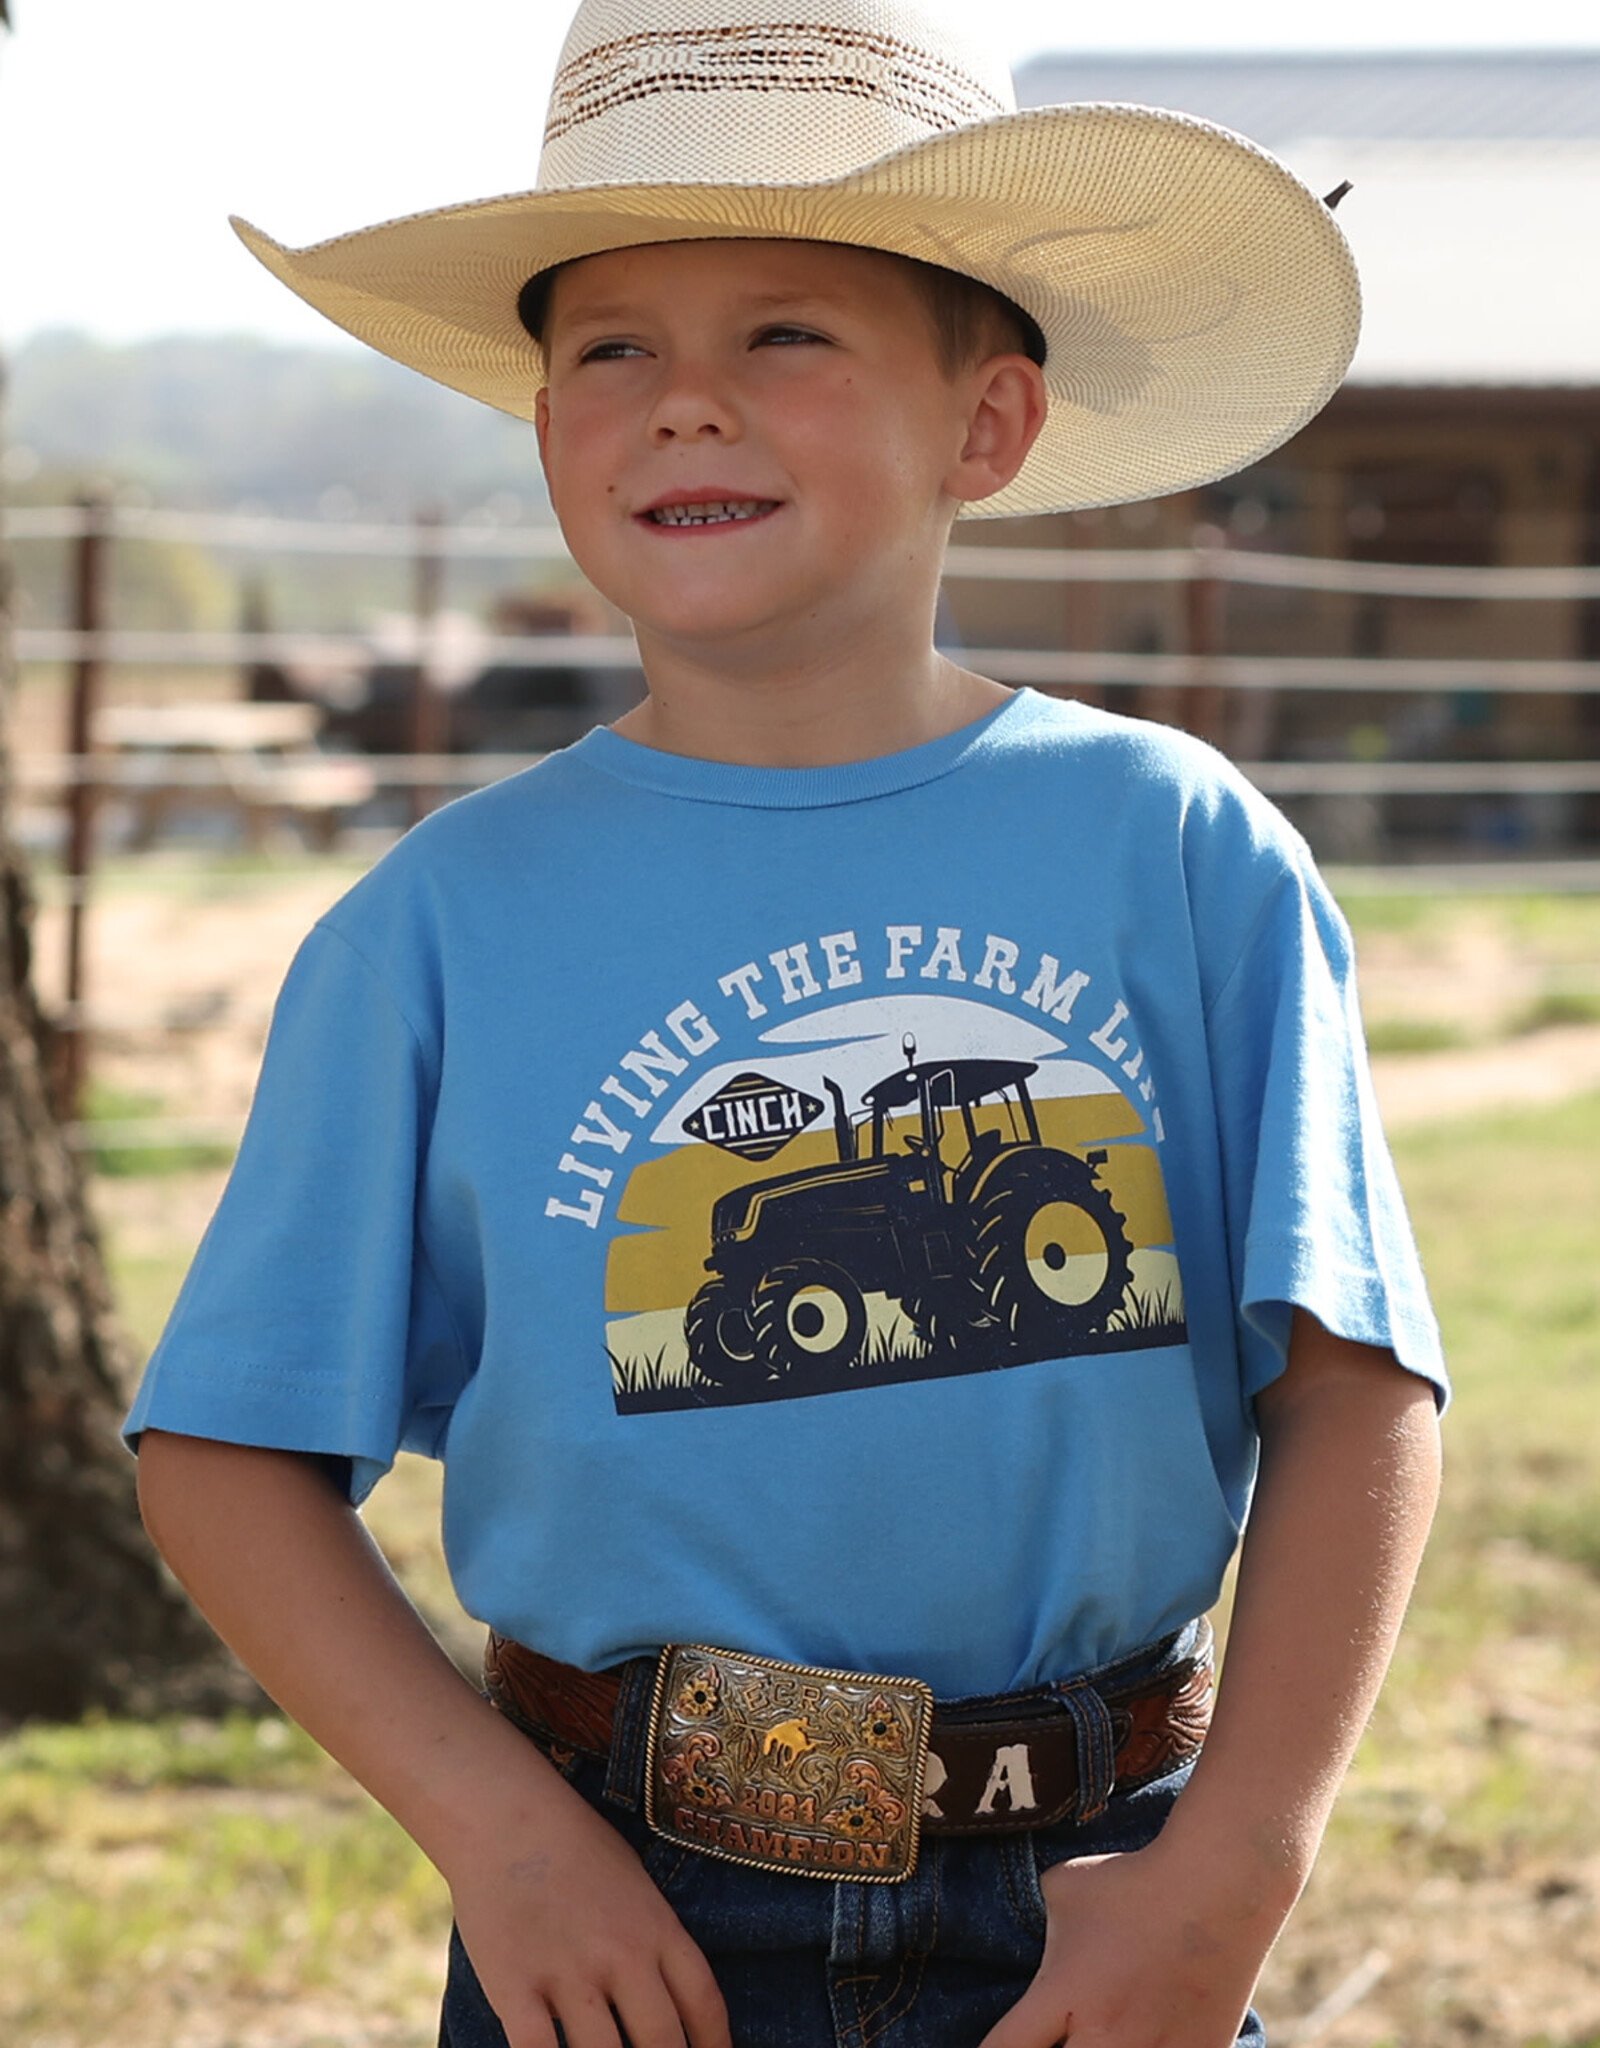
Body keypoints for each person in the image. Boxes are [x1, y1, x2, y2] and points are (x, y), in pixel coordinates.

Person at [126, 3, 1447, 2044]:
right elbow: (221, 1450)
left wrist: (1232, 1871)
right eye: (612, 348)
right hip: (630, 1903)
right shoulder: (440, 924)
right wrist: (505, 1836)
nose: (681, 405)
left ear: (984, 426)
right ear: (548, 416)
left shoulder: (1169, 846)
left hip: (1101, 1889)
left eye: (784, 336)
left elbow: (1354, 1379)